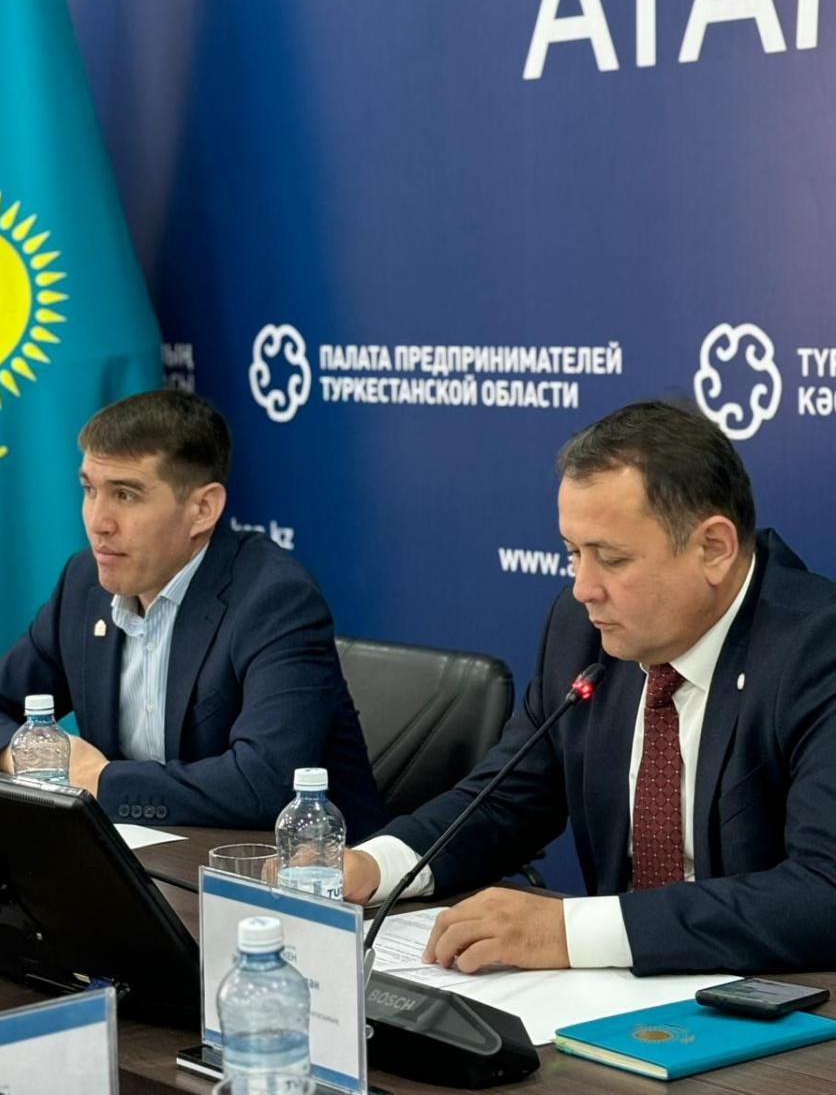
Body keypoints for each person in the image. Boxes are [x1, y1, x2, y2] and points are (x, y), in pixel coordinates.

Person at [344, 401, 836, 975]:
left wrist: (569, 931)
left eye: (612, 559)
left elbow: (822, 891)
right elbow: (506, 799)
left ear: (714, 548)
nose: (583, 589)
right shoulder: (582, 632)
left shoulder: (816, 651)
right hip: (612, 997)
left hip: (776, 1002)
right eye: (573, 554)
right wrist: (373, 866)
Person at [0, 390, 386, 840]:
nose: (98, 521)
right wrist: (34, 757)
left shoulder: (274, 600)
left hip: (308, 867)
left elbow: (264, 783)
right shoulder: (84, 585)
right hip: (148, 857)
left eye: (125, 495)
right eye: (90, 490)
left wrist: (100, 781)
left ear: (202, 509)